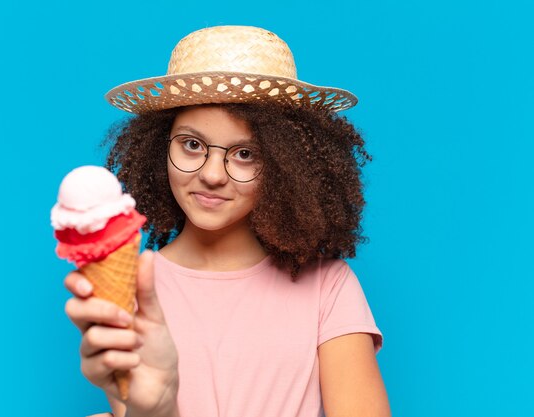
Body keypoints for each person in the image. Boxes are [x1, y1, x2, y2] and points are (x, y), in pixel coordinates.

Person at [64, 25, 391, 417]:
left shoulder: (328, 288)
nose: (213, 174)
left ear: (286, 166)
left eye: (245, 154)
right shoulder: (132, 294)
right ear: (157, 147)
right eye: (191, 145)